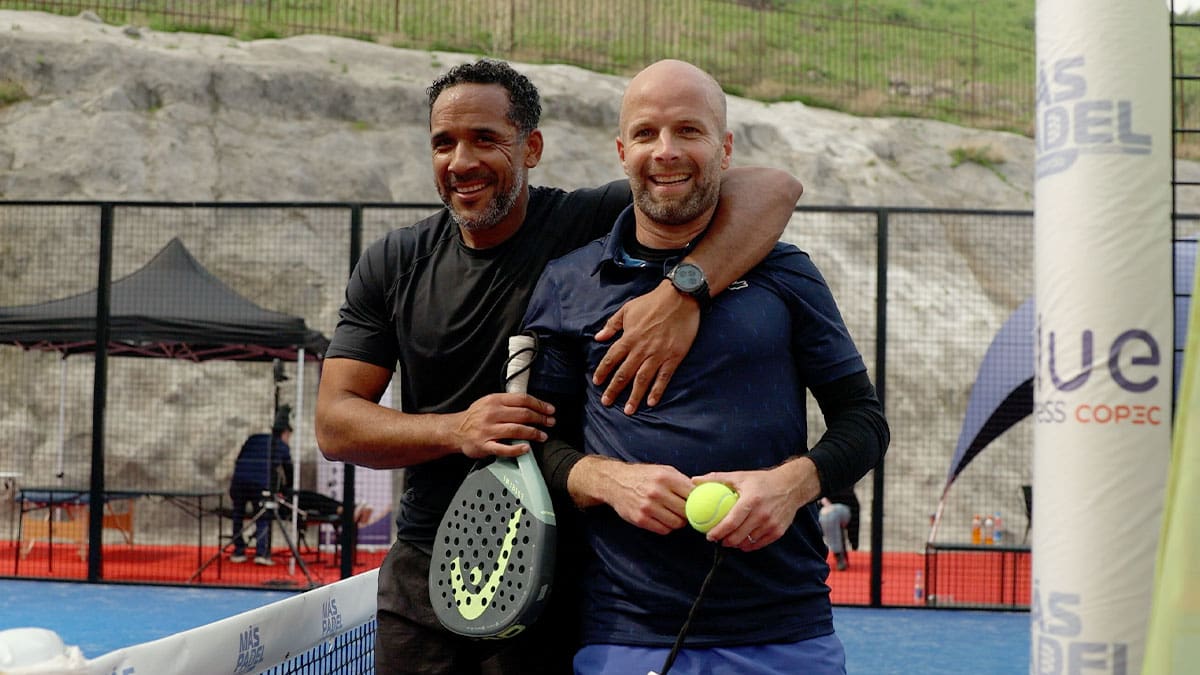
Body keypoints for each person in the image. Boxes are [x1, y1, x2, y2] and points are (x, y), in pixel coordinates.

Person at [314, 58, 803, 675]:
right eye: (444, 142)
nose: (461, 161)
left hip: (553, 569)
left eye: (486, 139)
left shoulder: (586, 225)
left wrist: (684, 290)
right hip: (426, 568)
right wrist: (455, 429)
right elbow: (336, 424)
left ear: (532, 147)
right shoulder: (393, 262)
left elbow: (774, 187)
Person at [520, 59, 890, 674]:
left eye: (688, 131)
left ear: (725, 149)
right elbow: (536, 446)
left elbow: (865, 422)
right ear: (621, 151)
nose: (665, 151)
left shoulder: (787, 272)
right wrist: (608, 481)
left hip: (784, 626)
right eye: (646, 134)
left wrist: (792, 485)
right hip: (623, 634)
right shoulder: (566, 284)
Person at [229, 405, 294, 566]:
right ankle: (261, 553)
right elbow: (289, 471)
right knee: (264, 516)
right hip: (260, 485)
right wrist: (287, 490)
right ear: (285, 433)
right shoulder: (282, 447)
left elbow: (239, 458)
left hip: (239, 482)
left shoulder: (254, 438)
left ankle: (238, 551)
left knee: (238, 515)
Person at [818, 485, 860, 571]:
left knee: (830, 515)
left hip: (842, 510)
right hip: (823, 510)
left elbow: (854, 506)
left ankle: (838, 554)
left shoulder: (846, 487)